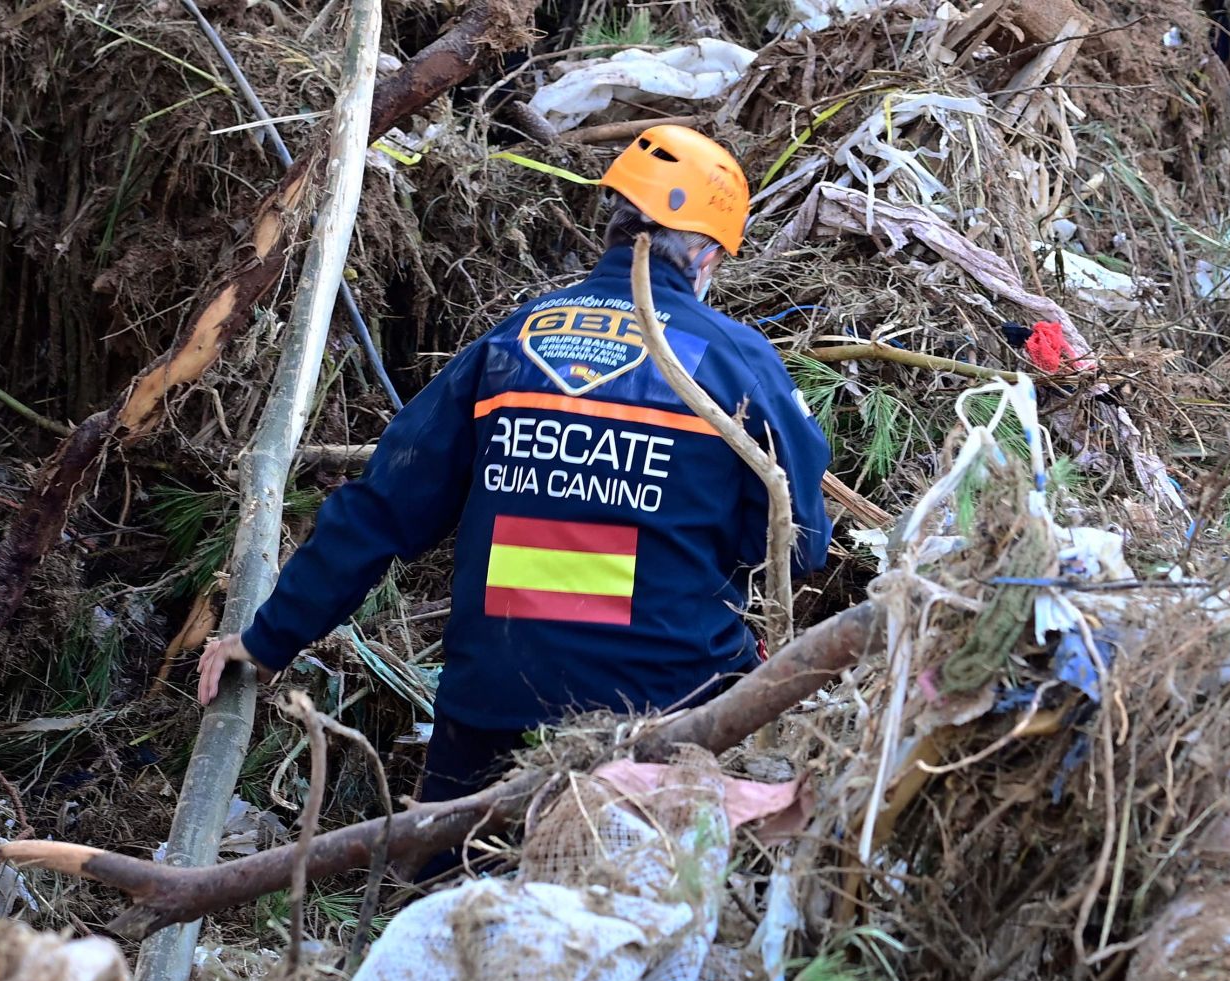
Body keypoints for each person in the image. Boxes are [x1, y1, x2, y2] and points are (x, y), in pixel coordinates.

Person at [198, 125, 833, 873]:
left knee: (446, 908)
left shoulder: (511, 343)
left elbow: (380, 511)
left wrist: (269, 638)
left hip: (489, 710)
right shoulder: (736, 363)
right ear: (704, 252)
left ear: (611, 225)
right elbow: (797, 545)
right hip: (661, 720)